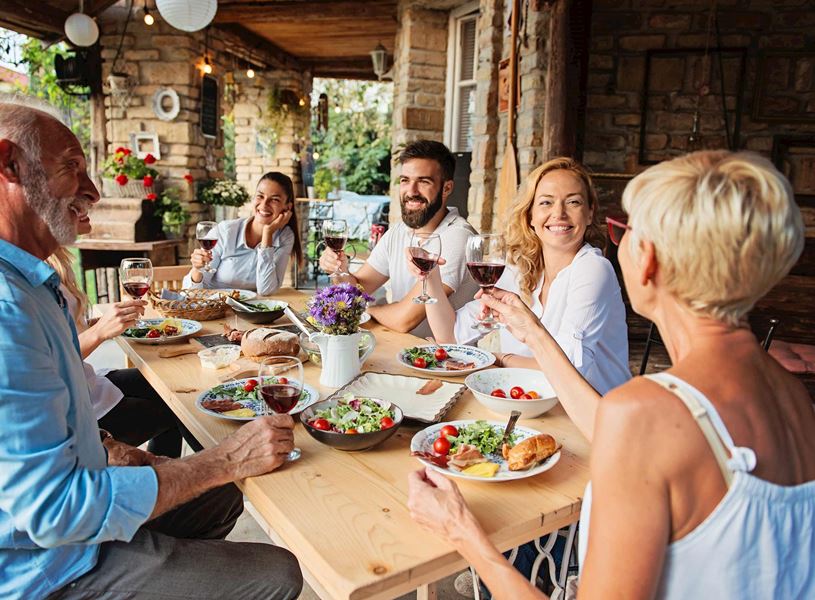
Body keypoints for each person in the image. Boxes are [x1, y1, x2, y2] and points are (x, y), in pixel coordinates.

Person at [408, 150, 815, 599]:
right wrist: (533, 332)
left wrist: (464, 535)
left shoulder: (646, 412)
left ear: (651, 260)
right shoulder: (794, 396)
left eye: (627, 232)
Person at [0, 97, 302, 599]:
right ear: (8, 164)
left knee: (223, 494)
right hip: (47, 566)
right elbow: (56, 513)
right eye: (71, 168)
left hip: (69, 518)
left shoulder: (34, 282)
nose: (93, 191)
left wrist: (111, 447)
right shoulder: (8, 308)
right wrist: (221, 459)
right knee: (278, 572)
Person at [406, 157, 629, 395]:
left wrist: (499, 359)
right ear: (530, 216)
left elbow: (568, 370)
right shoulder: (519, 268)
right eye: (546, 202)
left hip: (592, 416)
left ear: (589, 212)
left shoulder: (593, 269)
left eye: (573, 202)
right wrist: (430, 275)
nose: (559, 213)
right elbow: (450, 334)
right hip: (529, 401)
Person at [318, 139, 479, 337]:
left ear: (447, 188)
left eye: (423, 181)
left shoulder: (458, 237)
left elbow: (404, 320)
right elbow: (358, 289)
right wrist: (339, 271)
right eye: (405, 180)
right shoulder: (399, 231)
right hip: (397, 349)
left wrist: (368, 310)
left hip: (443, 361)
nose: (411, 191)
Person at [48, 242, 192, 457]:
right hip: (78, 410)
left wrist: (102, 322)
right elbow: (50, 361)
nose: (89, 208)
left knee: (170, 382)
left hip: (88, 382)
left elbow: (62, 331)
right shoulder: (22, 282)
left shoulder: (53, 257)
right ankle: (172, 479)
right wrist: (99, 332)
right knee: (176, 410)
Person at [183, 171, 303, 295]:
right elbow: (192, 292)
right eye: (260, 196)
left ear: (287, 207)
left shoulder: (285, 237)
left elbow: (266, 290)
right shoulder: (225, 231)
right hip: (214, 307)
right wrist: (197, 269)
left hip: (249, 311)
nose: (264, 204)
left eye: (275, 200)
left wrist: (268, 233)